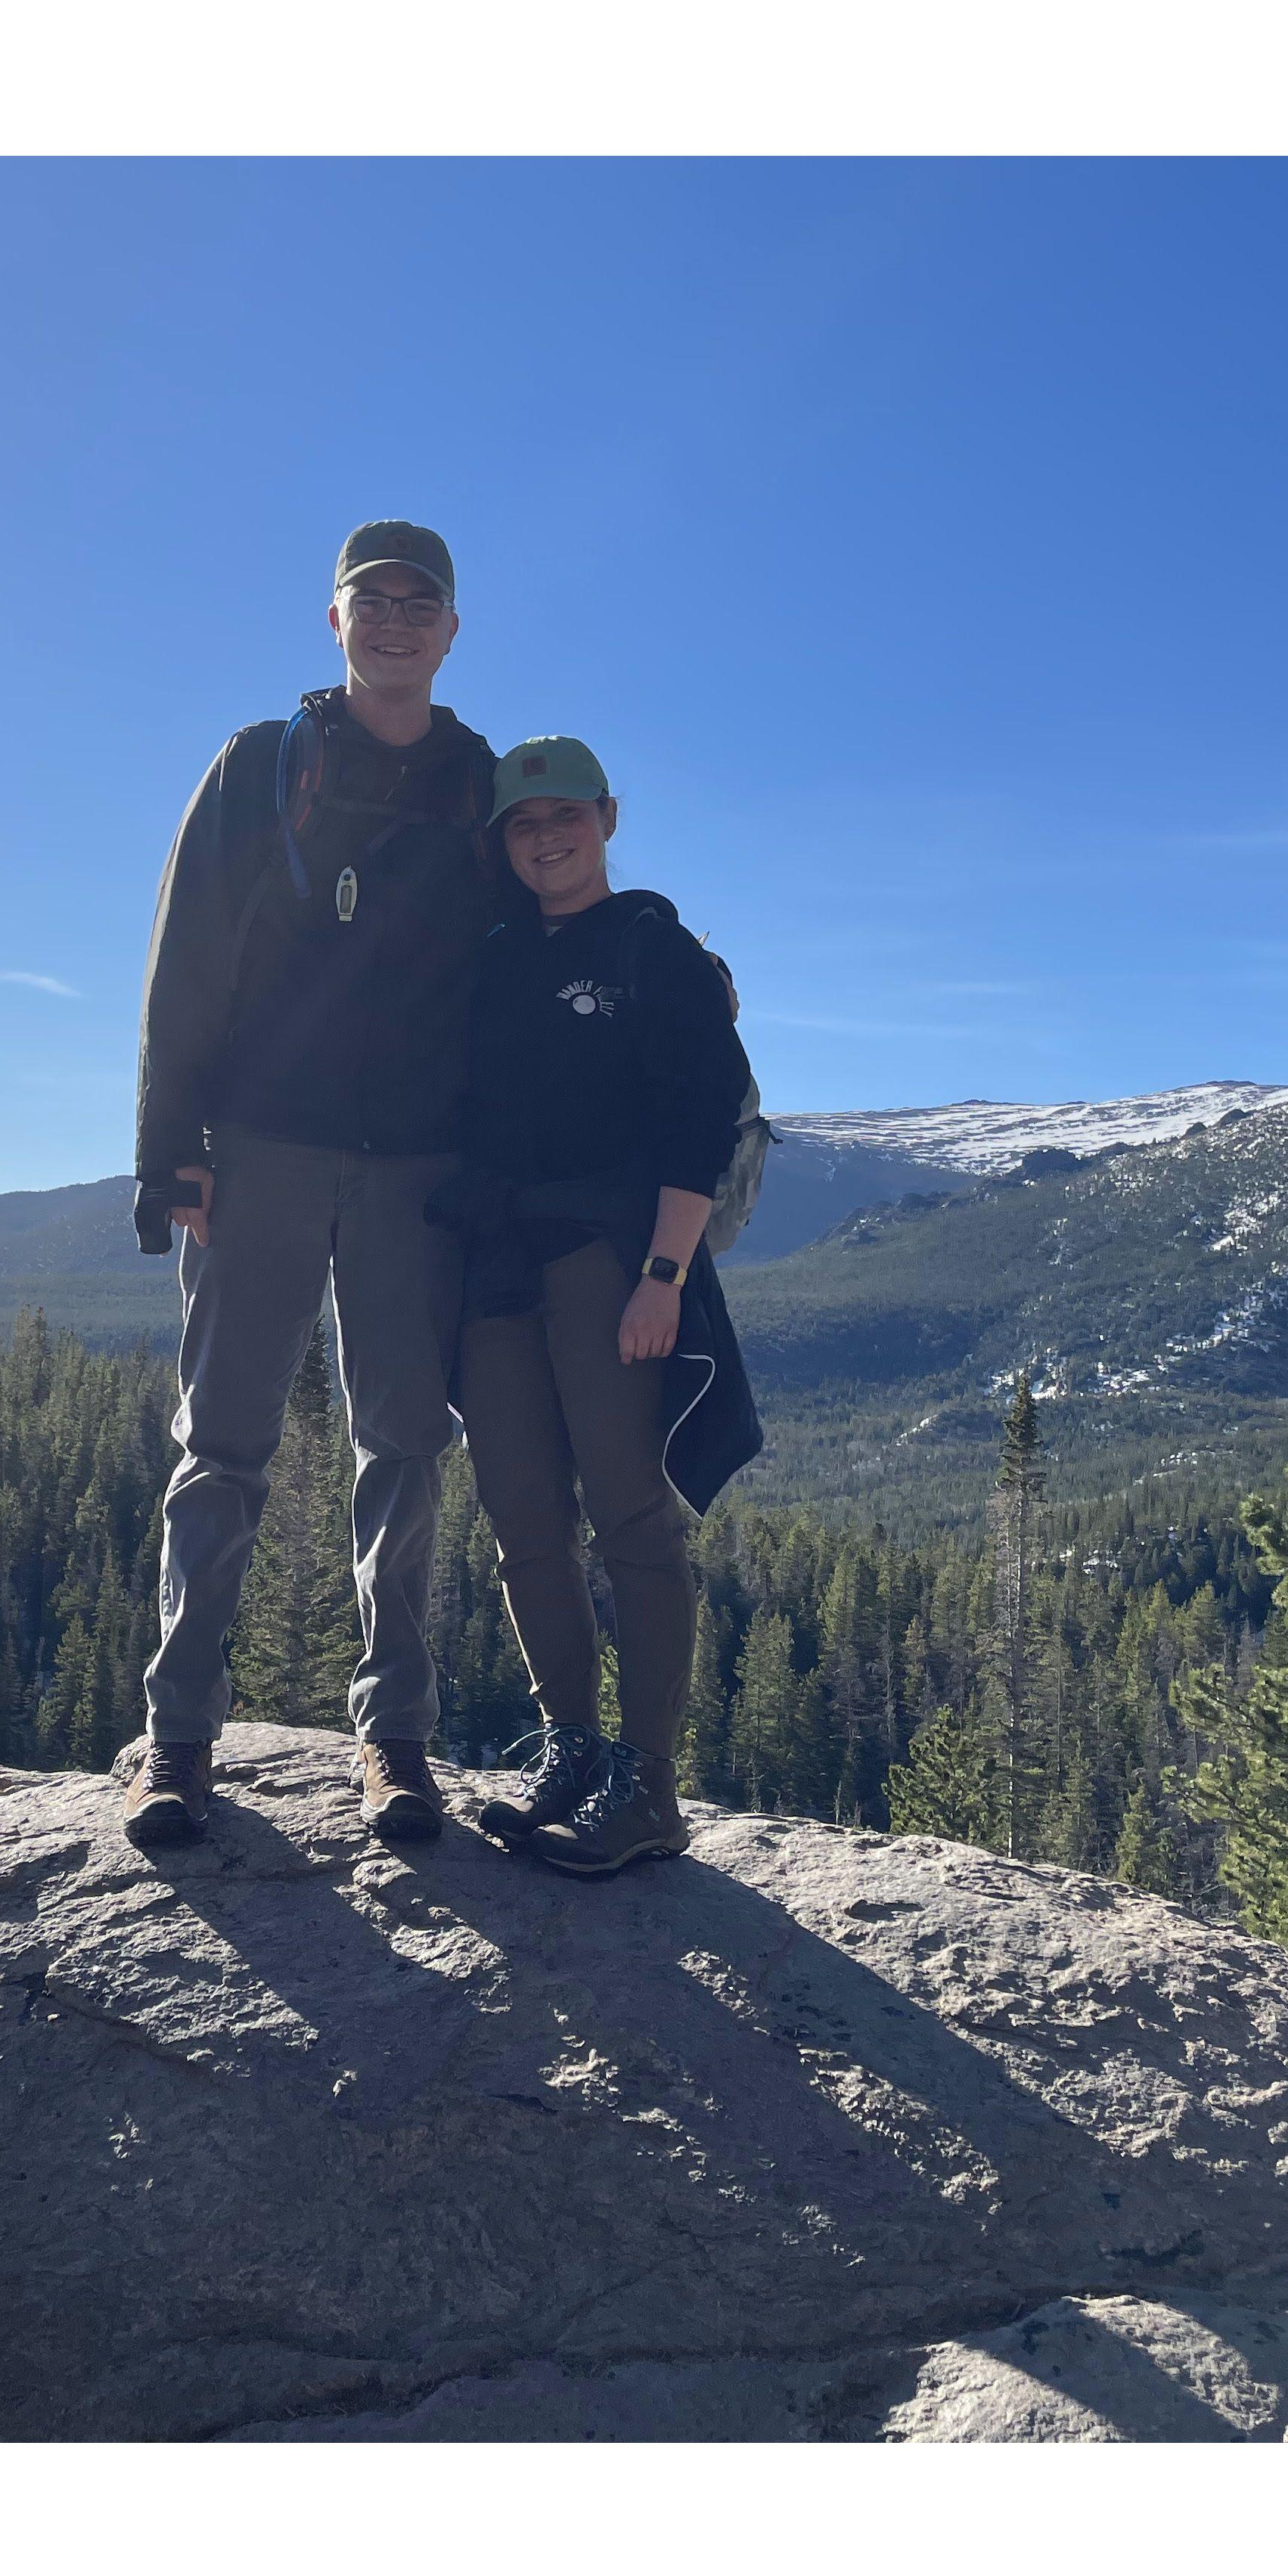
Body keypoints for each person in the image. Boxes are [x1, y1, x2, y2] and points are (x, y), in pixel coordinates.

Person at [123, 522, 507, 1849]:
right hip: (260, 1151)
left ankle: (395, 1741)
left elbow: (524, 961)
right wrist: (169, 1149)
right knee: (222, 1445)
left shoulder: (482, 785)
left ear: (452, 630)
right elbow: (184, 959)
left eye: (420, 601)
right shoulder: (261, 765)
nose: (395, 618)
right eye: (372, 599)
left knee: (404, 1446)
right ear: (334, 620)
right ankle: (178, 1742)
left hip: (415, 1169)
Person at [440, 736, 762, 1877]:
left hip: (611, 1263)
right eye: (524, 824)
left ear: (608, 819)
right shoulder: (491, 959)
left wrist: (662, 1279)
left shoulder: (652, 951)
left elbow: (699, 1121)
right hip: (496, 1265)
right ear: (502, 842)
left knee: (631, 1516)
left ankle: (650, 1788)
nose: (547, 839)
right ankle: (572, 1751)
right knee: (523, 1516)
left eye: (566, 817)